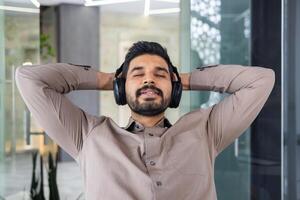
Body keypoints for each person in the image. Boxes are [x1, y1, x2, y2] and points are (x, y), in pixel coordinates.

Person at [15, 41, 275, 200]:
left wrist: (181, 79)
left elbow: (260, 80)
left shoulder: (206, 131)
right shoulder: (87, 135)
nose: (149, 80)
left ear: (174, 88)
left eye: (159, 74)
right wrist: (109, 79)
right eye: (137, 74)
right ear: (120, 87)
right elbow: (29, 79)